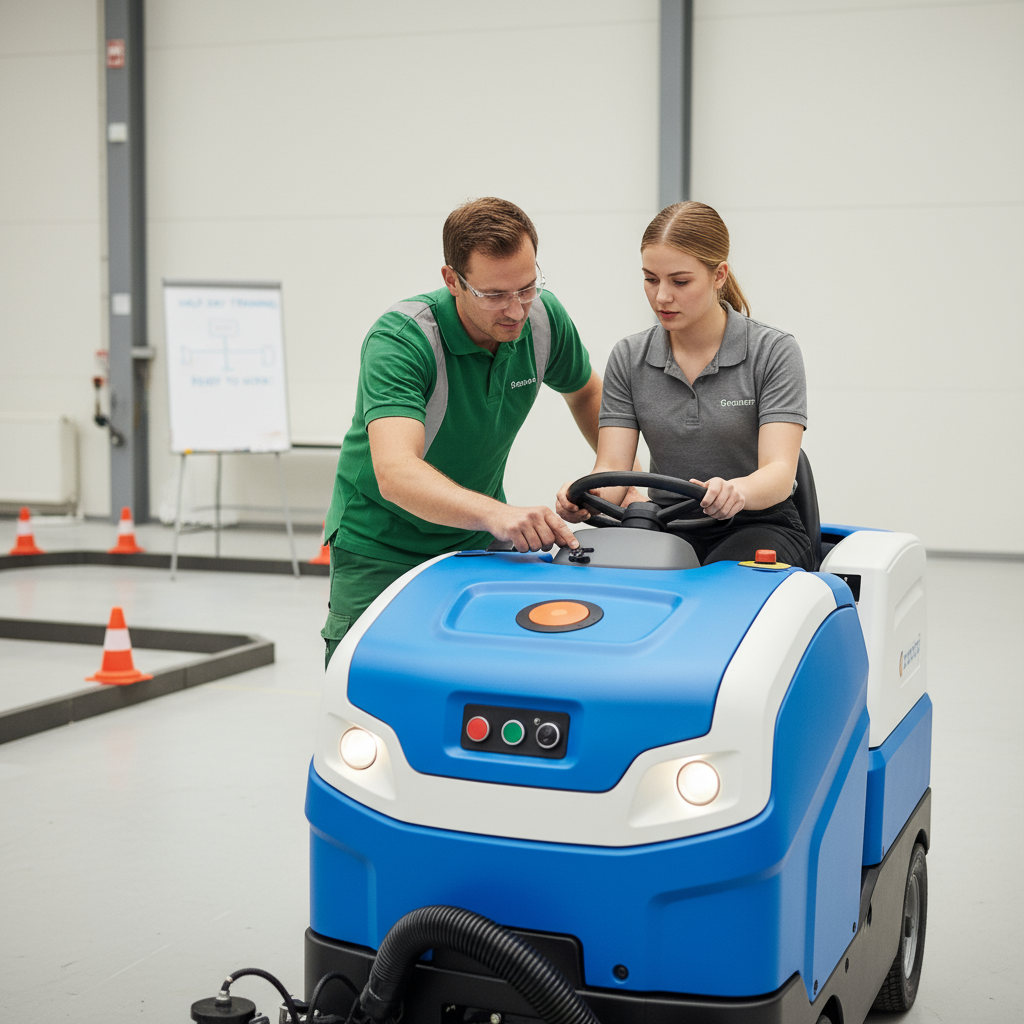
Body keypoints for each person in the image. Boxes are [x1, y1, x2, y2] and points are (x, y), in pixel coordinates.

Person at [321, 197, 603, 666]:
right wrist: (498, 514)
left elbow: (587, 392)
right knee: (371, 681)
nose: (515, 310)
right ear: (452, 280)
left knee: (476, 675)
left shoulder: (542, 319)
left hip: (474, 542)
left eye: (527, 287)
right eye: (494, 295)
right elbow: (396, 472)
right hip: (382, 547)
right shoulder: (402, 341)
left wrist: (615, 471)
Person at [556, 201, 814, 569]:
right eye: (650, 279)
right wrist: (585, 496)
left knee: (718, 588)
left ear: (719, 275)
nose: (661, 296)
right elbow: (612, 464)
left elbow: (779, 473)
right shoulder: (628, 357)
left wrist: (736, 491)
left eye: (679, 282)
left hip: (760, 525)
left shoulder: (773, 351)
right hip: (667, 527)